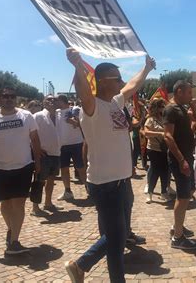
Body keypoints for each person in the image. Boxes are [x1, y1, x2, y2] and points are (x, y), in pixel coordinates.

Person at [64, 48, 155, 283]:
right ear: (103, 82)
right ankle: (82, 265)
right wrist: (77, 66)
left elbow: (132, 86)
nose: (121, 82)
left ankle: (81, 266)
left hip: (122, 180)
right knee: (116, 236)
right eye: (117, 78)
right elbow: (84, 93)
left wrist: (146, 68)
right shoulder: (92, 107)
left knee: (119, 236)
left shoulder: (115, 102)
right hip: (105, 183)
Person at [0, 87, 41, 255]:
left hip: (24, 167)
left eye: (12, 96)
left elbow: (35, 140)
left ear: (16, 99)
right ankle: (11, 229)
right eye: (5, 96)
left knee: (19, 203)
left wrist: (38, 163)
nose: (9, 99)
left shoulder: (26, 116)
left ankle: (14, 242)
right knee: (6, 204)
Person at [163, 80, 196, 250]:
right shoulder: (171, 109)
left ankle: (177, 226)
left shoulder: (182, 108)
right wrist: (181, 160)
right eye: (188, 93)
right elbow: (168, 136)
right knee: (183, 196)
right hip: (180, 159)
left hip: (187, 156)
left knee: (190, 189)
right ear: (179, 91)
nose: (191, 96)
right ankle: (178, 237)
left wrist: (193, 103)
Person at [31, 95, 62, 215]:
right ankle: (35, 207)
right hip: (43, 154)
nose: (52, 101)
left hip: (56, 153)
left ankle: (48, 203)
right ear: (43, 102)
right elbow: (30, 133)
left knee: (51, 180)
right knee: (39, 181)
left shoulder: (59, 116)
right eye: (49, 99)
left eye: (54, 100)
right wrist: (36, 149)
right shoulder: (38, 116)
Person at [56, 94, 86, 200]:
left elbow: (82, 124)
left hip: (76, 143)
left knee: (80, 167)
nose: (54, 102)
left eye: (56, 100)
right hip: (62, 145)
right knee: (64, 169)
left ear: (61, 101)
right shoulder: (56, 113)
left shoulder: (75, 109)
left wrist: (73, 121)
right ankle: (67, 191)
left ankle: (89, 189)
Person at [143, 98, 171, 203]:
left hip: (165, 149)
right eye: (161, 106)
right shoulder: (150, 119)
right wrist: (159, 134)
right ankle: (150, 193)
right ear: (156, 108)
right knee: (155, 171)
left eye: (164, 106)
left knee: (165, 171)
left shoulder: (165, 118)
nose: (163, 108)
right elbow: (146, 133)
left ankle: (164, 192)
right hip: (154, 149)